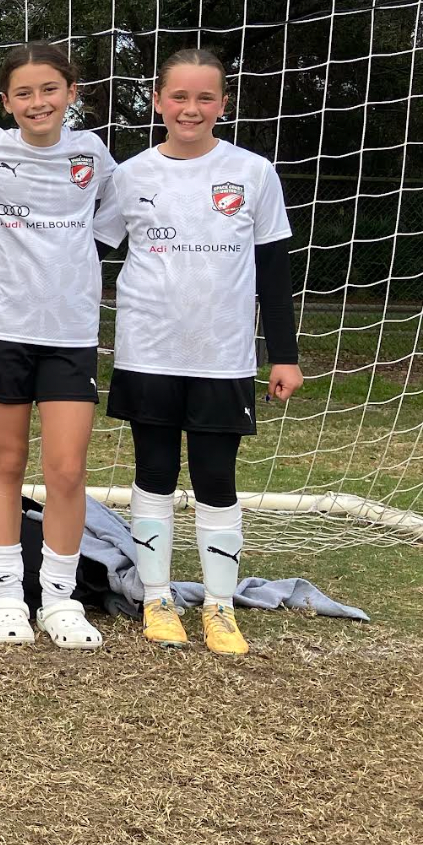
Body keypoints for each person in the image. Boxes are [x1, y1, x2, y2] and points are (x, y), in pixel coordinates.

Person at [94, 48, 301, 655]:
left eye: (204, 97)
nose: (191, 108)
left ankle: (218, 605)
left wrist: (282, 355)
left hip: (222, 356)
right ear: (157, 101)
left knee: (216, 478)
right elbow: (90, 251)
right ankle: (155, 597)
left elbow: (273, 270)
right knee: (153, 474)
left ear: (222, 103)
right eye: (178, 97)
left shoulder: (254, 173)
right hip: (148, 351)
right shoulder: (130, 175)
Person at [0, 41, 116, 648]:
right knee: (6, 462)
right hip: (0, 328)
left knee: (66, 469)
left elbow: (113, 218)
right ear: (6, 101)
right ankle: (8, 592)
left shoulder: (91, 151)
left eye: (49, 90)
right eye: (23, 93)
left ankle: (60, 599)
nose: (37, 102)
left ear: (71, 93)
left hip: (70, 334)